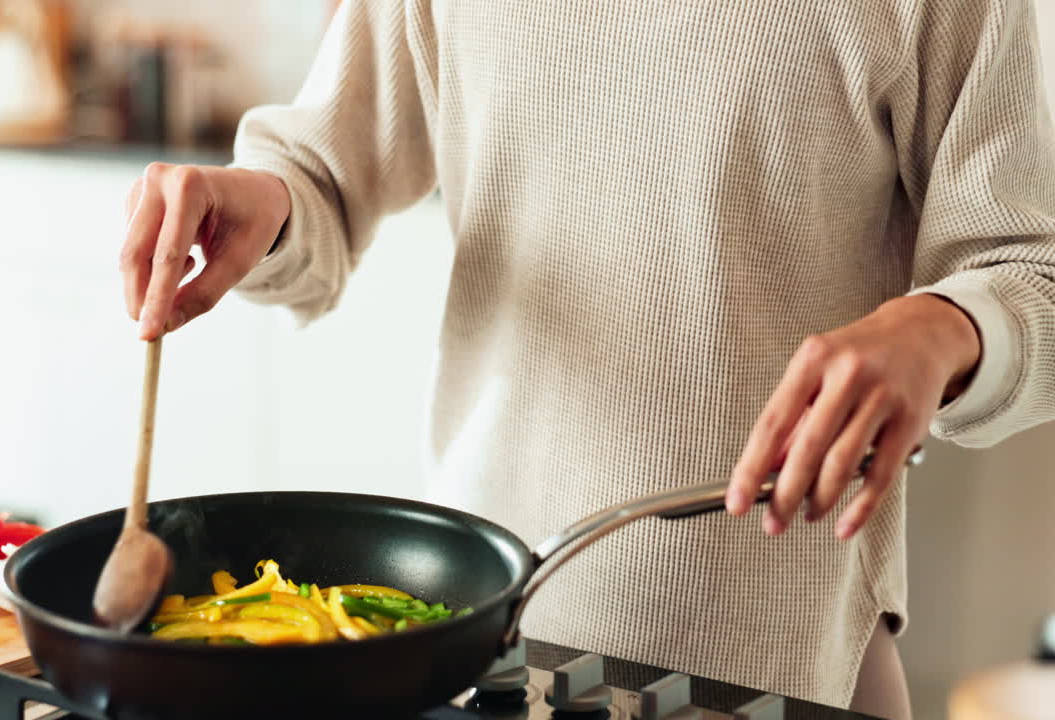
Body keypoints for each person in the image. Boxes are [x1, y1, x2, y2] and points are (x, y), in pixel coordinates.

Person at [117, 2, 1055, 717]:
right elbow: (324, 169)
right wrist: (263, 199)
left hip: (782, 650)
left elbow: (1029, 269)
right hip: (486, 632)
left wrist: (938, 328)